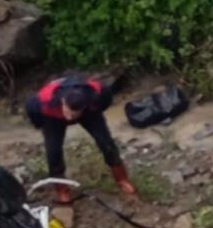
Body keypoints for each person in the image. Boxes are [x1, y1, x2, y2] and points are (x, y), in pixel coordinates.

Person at [24, 73, 136, 204]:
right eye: (69, 112)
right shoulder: (43, 100)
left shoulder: (97, 93)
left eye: (74, 113)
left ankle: (122, 179)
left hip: (88, 114)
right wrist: (42, 125)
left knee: (106, 143)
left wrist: (92, 112)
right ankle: (62, 190)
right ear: (64, 102)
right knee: (53, 151)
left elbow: (106, 100)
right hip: (53, 118)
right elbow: (33, 113)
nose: (70, 117)